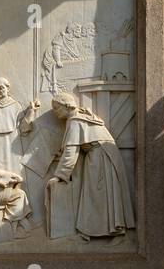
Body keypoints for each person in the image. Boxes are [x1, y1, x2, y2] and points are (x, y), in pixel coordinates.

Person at [46, 91, 135, 241]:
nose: (55, 112)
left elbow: (71, 152)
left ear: (67, 106)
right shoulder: (82, 117)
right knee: (98, 195)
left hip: (100, 157)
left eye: (56, 107)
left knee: (97, 194)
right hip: (102, 155)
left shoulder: (75, 121)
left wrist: (59, 176)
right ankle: (93, 231)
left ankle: (110, 232)